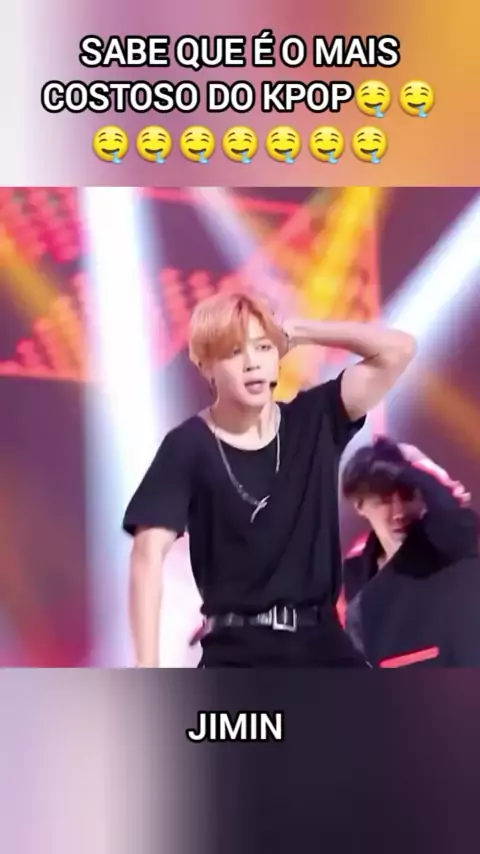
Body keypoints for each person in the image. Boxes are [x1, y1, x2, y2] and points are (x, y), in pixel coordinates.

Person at [123, 291, 416, 667]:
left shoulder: (315, 418)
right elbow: (147, 555)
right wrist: (146, 669)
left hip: (323, 647)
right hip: (237, 655)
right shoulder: (188, 446)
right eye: (234, 353)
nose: (252, 364)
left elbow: (399, 350)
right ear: (206, 367)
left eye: (263, 348)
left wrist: (300, 332)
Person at [341, 437, 480, 667]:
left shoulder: (444, 544)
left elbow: (460, 524)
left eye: (407, 497)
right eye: (384, 501)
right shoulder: (353, 572)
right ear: (359, 505)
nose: (399, 513)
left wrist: (415, 462)